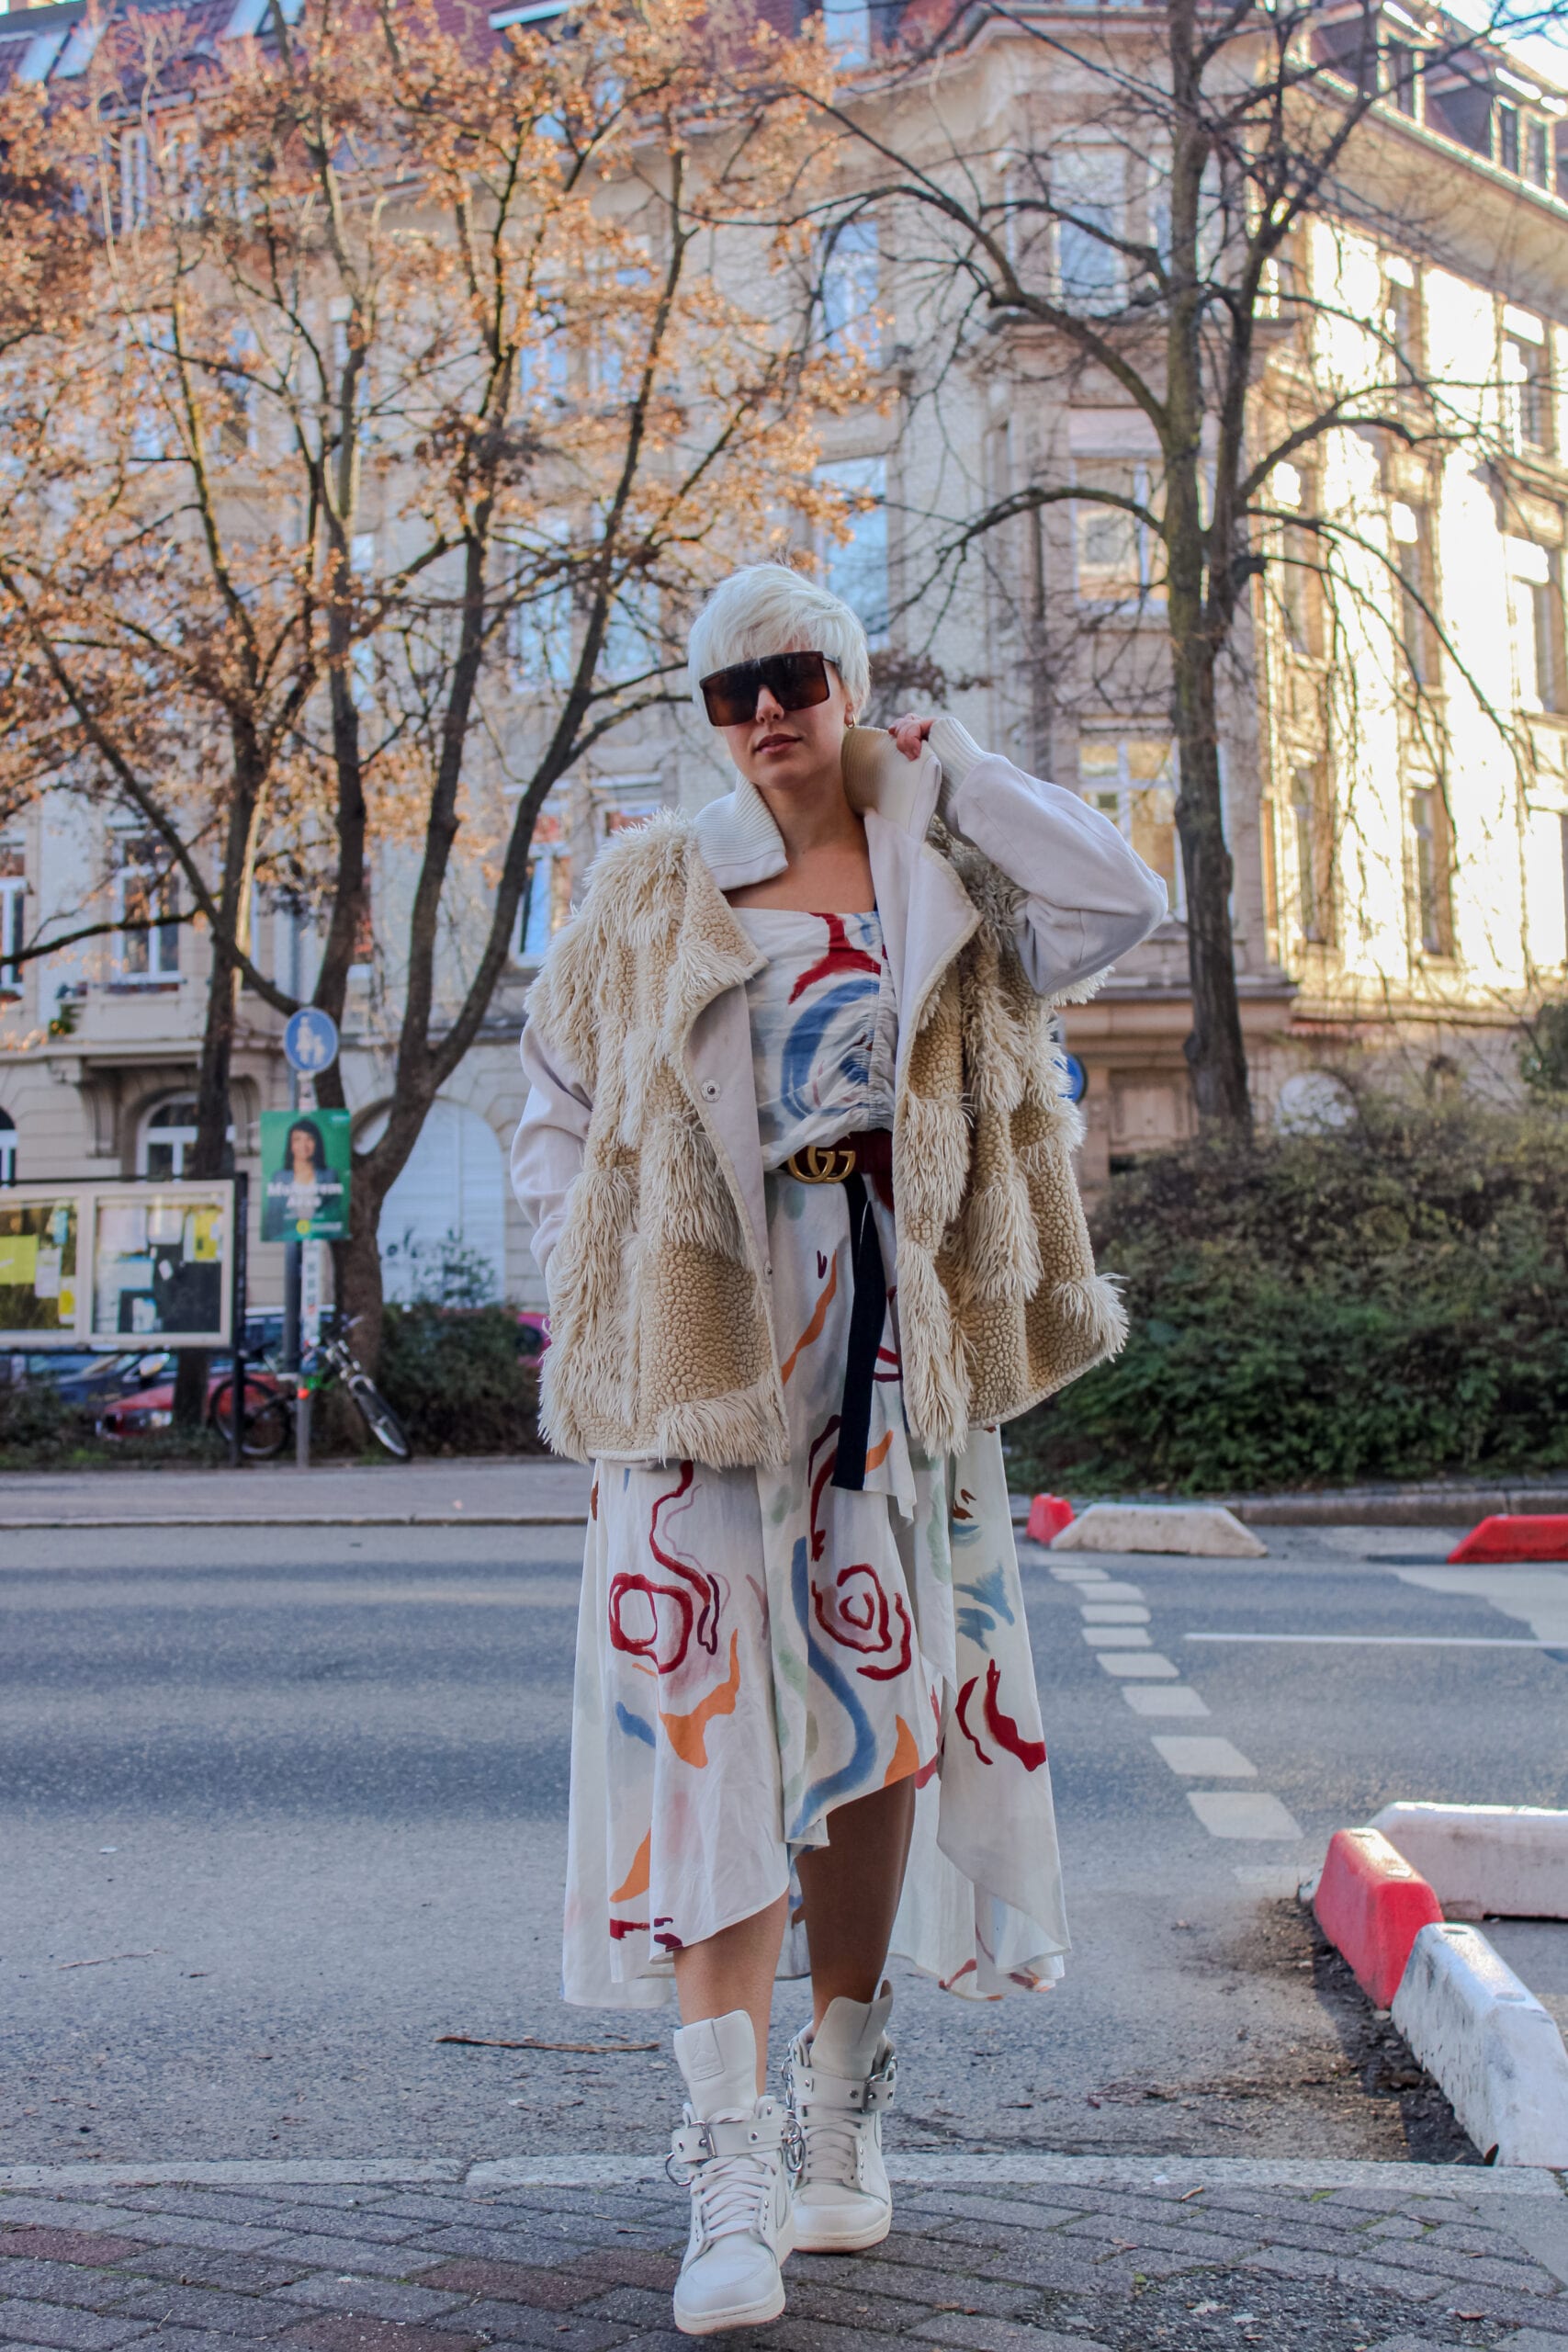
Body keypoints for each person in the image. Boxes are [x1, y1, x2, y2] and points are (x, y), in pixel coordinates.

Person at [512, 563, 1167, 2337]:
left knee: (877, 1732)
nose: (766, 715)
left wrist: (947, 774)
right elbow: (554, 1107)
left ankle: (840, 2104)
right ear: (706, 723)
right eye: (731, 694)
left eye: (797, 677)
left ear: (851, 685)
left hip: (891, 1343)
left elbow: (1122, 897)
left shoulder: (937, 868)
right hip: (698, 1353)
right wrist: (592, 1310)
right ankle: (722, 2158)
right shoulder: (651, 889)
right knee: (704, 1731)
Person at [262, 1116, 340, 1242]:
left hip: (321, 1240)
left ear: (316, 1143)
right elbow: (273, 1218)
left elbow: (334, 1214)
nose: (303, 1145)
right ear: (291, 1145)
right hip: (288, 1239)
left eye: (309, 1139)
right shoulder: (279, 1177)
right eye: (297, 1139)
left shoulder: (330, 1175)